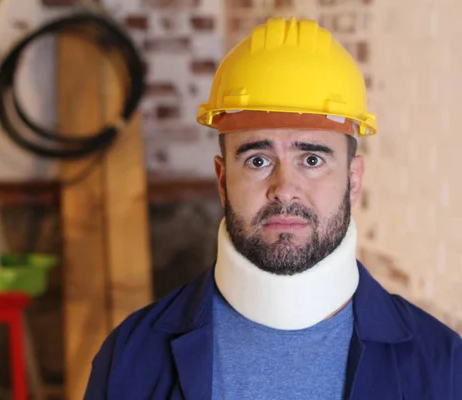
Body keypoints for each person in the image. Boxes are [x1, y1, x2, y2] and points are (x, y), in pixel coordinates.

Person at [84, 17, 462, 399]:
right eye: (258, 161)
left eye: (312, 160)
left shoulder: (442, 366)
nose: (284, 190)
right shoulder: (131, 357)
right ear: (221, 179)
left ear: (353, 180)